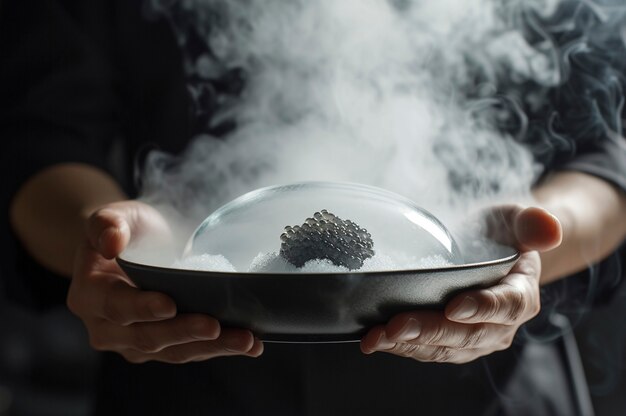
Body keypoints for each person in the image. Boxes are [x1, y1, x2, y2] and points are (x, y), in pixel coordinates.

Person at [2, 1, 626, 415]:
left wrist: (520, 244)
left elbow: (605, 152)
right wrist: (126, 245)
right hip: (190, 365)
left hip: (487, 379)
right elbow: (40, 142)